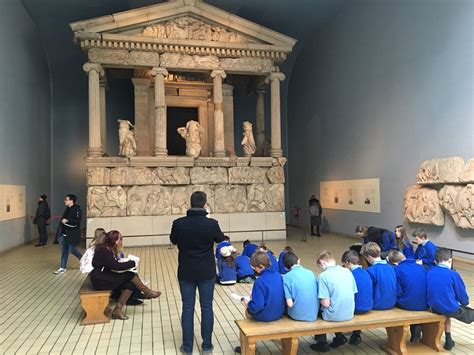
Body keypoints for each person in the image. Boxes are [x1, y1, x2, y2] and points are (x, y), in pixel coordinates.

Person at [170, 191, 225, 355]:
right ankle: (206, 346)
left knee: (187, 307)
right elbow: (220, 239)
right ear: (204, 203)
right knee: (207, 307)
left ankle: (187, 348)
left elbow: (173, 240)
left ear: (190, 202)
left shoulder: (179, 223)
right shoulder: (211, 223)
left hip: (186, 271)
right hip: (206, 272)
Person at [90, 231, 161, 320]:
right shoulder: (104, 250)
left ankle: (117, 310)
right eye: (120, 239)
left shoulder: (107, 248)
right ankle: (147, 291)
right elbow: (116, 266)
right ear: (115, 240)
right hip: (100, 280)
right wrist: (132, 263)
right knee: (129, 274)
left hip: (104, 276)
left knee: (130, 285)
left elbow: (112, 264)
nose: (121, 241)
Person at [235, 251, 285, 353]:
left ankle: (247, 344)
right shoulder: (278, 275)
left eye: (255, 268)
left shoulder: (260, 281)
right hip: (279, 313)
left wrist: (247, 303)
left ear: (261, 266)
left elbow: (257, 306)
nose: (254, 270)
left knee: (248, 312)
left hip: (266, 316)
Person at [427, 248, 474, 350]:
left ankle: (449, 340)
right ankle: (448, 340)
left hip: (434, 306)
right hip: (449, 308)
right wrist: (467, 305)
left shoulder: (430, 272)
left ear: (436, 261)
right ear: (450, 260)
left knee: (446, 311)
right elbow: (461, 295)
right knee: (468, 314)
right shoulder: (453, 274)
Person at [311, 251, 357, 352]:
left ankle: (321, 342)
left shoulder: (323, 276)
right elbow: (353, 293)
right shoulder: (347, 272)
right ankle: (339, 336)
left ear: (322, 262)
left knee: (317, 309)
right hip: (349, 313)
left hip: (333, 316)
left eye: (320, 266)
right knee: (336, 304)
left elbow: (325, 303)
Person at [387, 250, 428, 342]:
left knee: (392, 302)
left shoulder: (397, 269)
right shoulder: (420, 267)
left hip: (408, 303)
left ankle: (396, 337)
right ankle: (416, 327)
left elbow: (397, 291)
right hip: (424, 303)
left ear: (394, 263)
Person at [338, 250, 373, 346]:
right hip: (368, 306)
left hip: (356, 308)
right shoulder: (365, 272)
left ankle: (338, 336)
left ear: (348, 263)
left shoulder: (349, 275)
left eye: (344, 264)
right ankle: (356, 334)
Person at [283, 252, 318, 321]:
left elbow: (290, 304)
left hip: (297, 315)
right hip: (313, 314)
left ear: (285, 267)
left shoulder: (287, 277)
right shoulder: (310, 272)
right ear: (298, 260)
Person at [361, 242, 397, 310]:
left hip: (377, 304)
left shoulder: (370, 270)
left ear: (369, 257)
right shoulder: (391, 268)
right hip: (392, 303)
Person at [54, 194, 83, 274]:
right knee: (64, 250)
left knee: (72, 249)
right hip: (64, 233)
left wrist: (67, 221)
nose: (65, 201)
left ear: (71, 201)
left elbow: (77, 221)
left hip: (72, 233)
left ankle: (83, 259)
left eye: (66, 199)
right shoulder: (67, 209)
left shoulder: (77, 209)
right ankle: (62, 267)